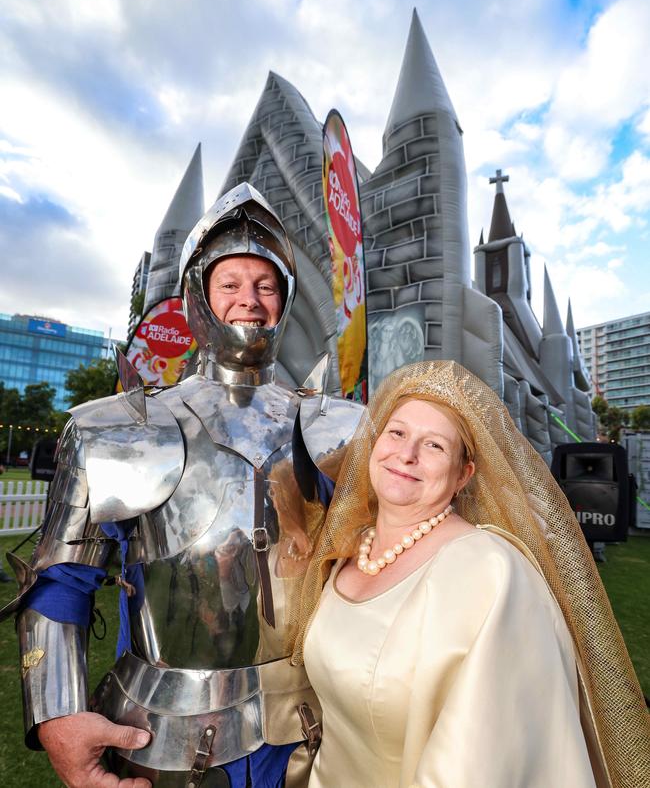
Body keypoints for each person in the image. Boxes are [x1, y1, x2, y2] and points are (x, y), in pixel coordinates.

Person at [0, 182, 363, 787]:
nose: (249, 300)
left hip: (317, 724)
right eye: (230, 284)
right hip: (164, 730)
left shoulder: (342, 427)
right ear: (199, 295)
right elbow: (59, 582)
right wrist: (58, 717)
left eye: (265, 284)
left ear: (286, 298)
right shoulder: (115, 427)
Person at [291, 360, 649, 788]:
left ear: (464, 475)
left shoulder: (492, 575)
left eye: (434, 446)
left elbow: (478, 766)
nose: (406, 454)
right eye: (397, 432)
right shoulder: (350, 549)